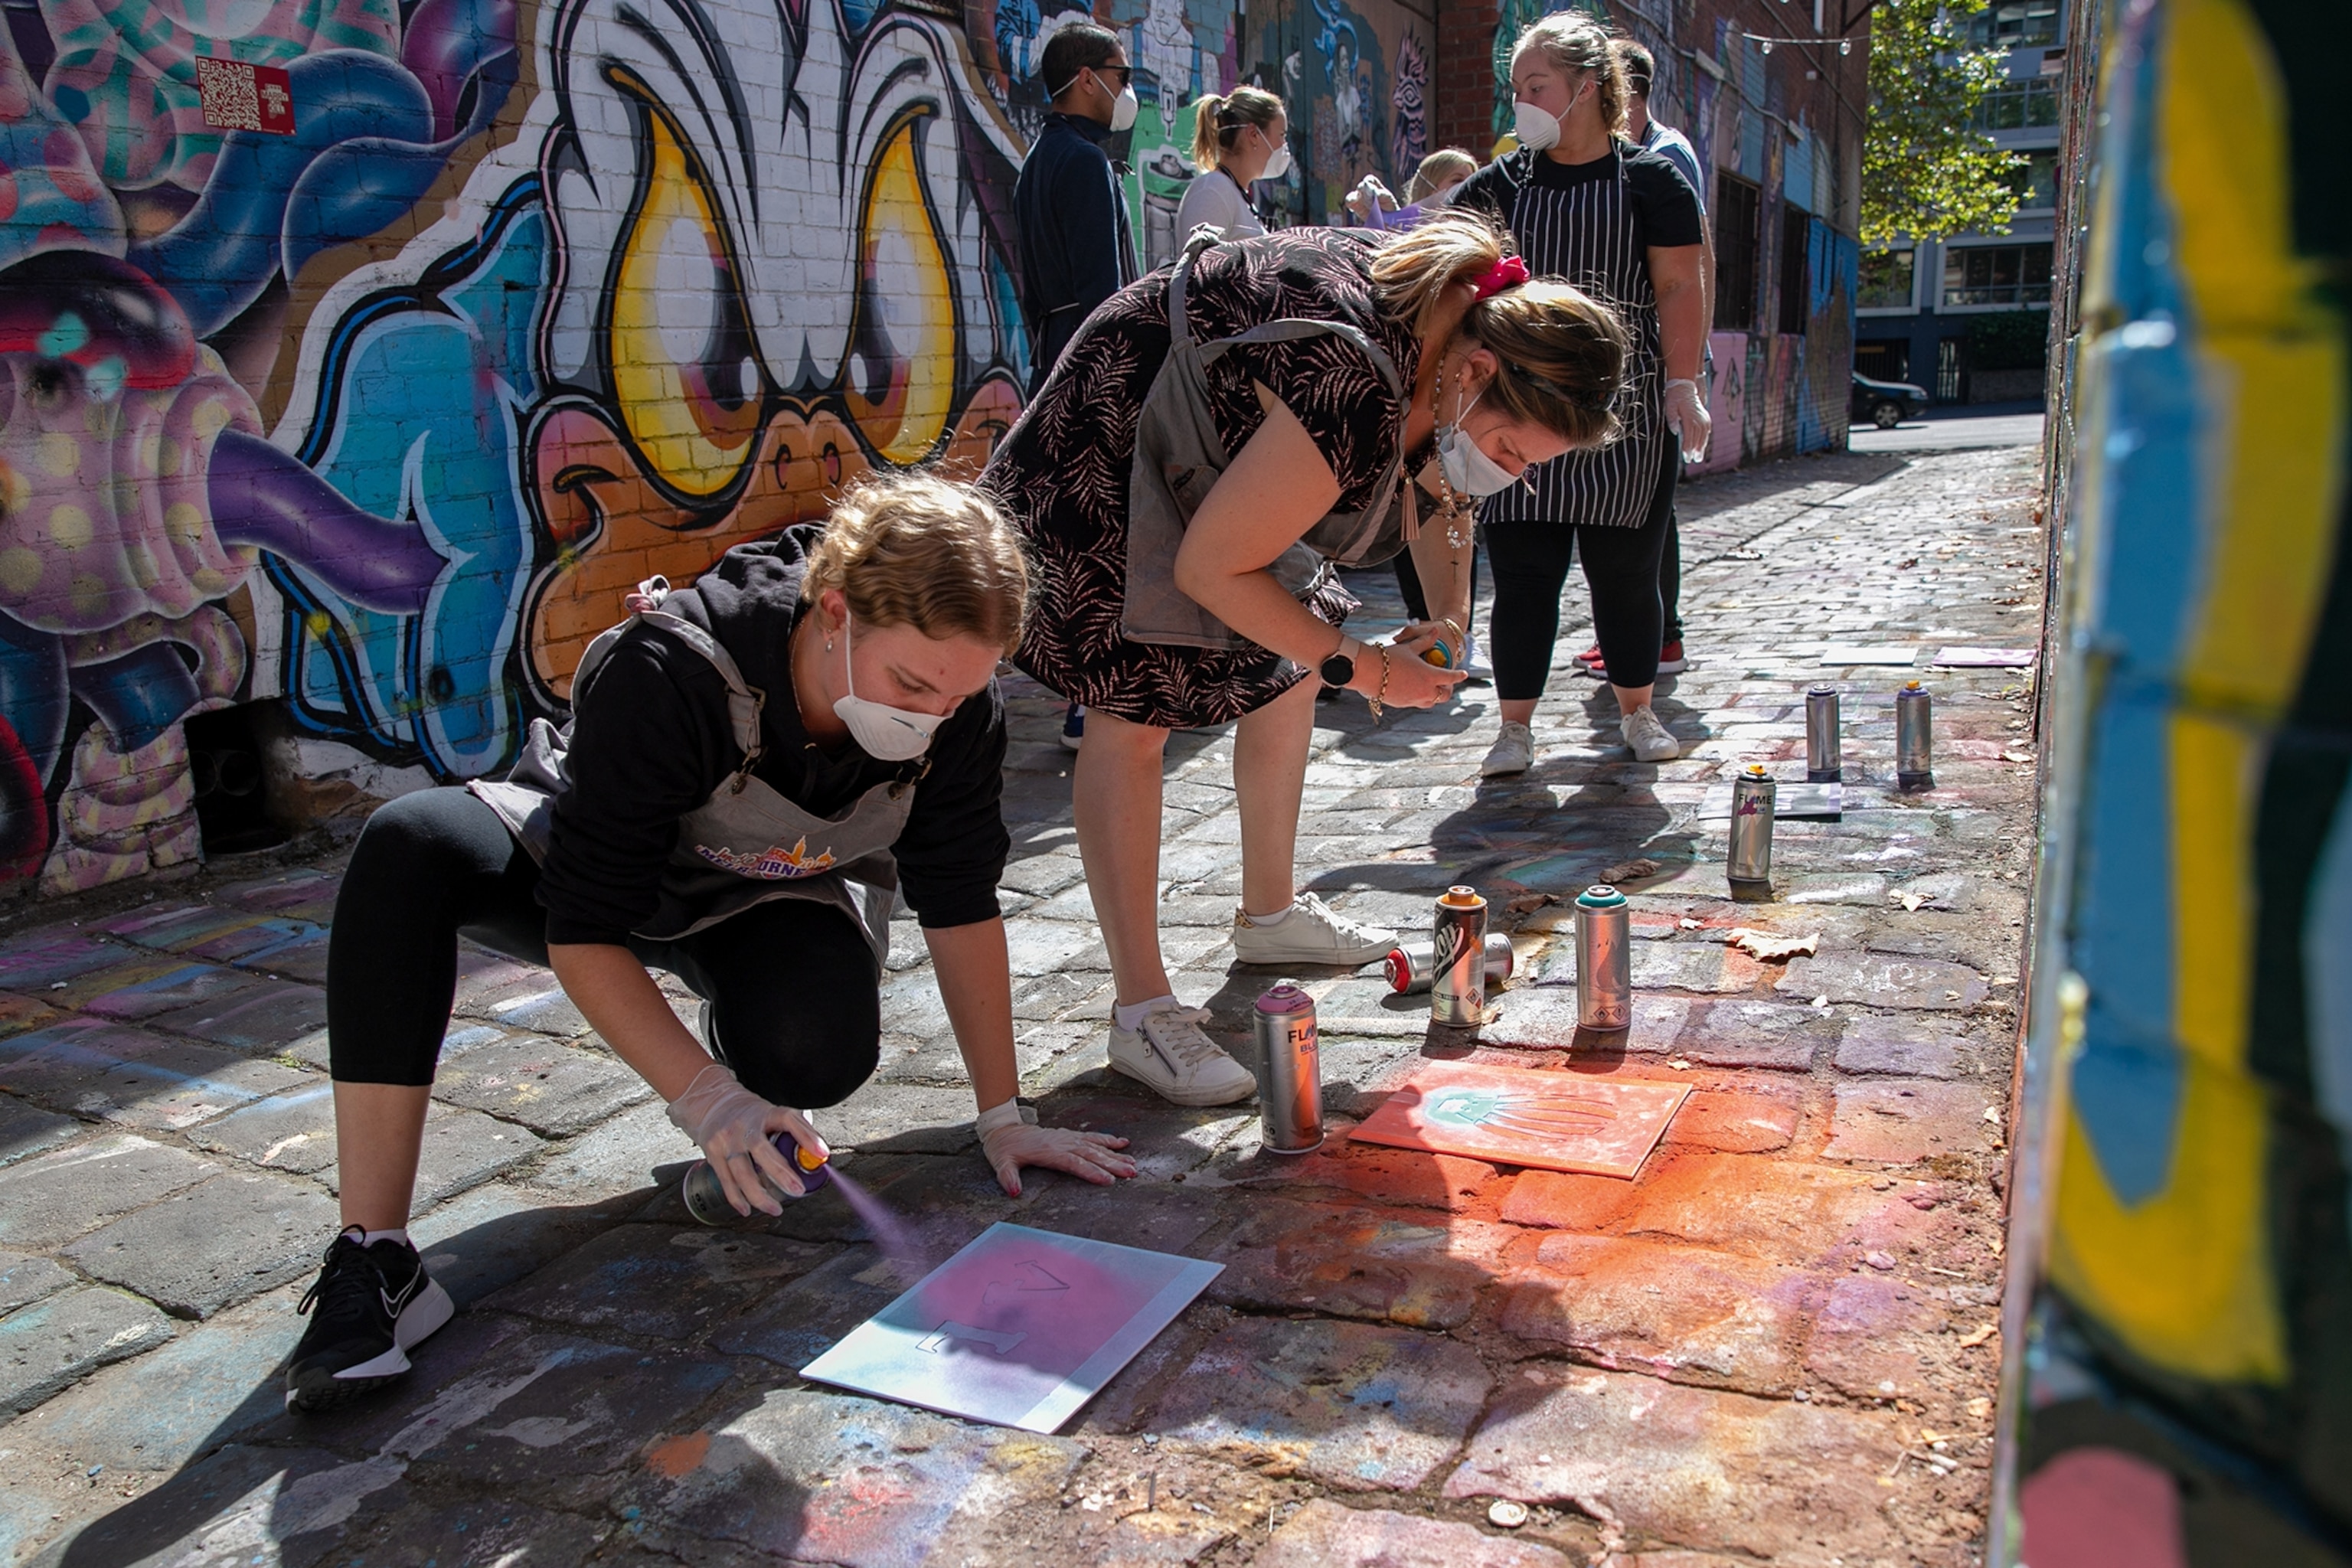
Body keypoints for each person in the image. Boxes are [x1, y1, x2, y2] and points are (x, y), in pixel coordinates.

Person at [283, 473, 1137, 1413]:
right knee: (408, 844)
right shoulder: (672, 668)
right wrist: (706, 1099)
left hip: (763, 891)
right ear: (836, 610)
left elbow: (962, 901)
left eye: (958, 693)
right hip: (603, 871)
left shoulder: (954, 714)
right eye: (910, 684)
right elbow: (584, 927)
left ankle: (743, 1033)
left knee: (817, 1049)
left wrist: (1003, 1114)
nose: (930, 714)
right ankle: (377, 1254)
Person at [981, 213, 1628, 1106]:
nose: (1508, 474)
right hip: (1121, 441)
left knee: (1287, 659)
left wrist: (1440, 621)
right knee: (1138, 710)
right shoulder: (1354, 376)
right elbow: (1211, 567)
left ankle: (1271, 914)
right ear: (1476, 371)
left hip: (1228, 452)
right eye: (1512, 452)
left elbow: (1438, 490)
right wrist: (1367, 669)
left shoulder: (1454, 336)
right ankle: (1141, 1010)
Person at [1453, 15, 1710, 777]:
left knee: (1626, 575)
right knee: (1525, 579)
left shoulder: (1653, 182)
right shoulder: (1496, 187)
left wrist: (1684, 381)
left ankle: (1637, 712)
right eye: (1515, 89)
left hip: (1620, 413)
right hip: (1515, 412)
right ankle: (1514, 729)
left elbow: (1677, 286)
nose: (1522, 102)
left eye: (1537, 87)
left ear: (1588, 87)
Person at [1013, 21, 1138, 753]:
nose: (1127, 91)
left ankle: (1082, 699)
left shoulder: (1042, 158)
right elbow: (1105, 291)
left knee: (1077, 533)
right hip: (1094, 363)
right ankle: (1091, 705)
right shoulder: (1084, 163)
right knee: (1104, 534)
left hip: (1055, 355)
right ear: (1087, 77)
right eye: (1121, 77)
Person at [1570, 38, 1710, 684]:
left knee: (1648, 510)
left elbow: (1689, 266)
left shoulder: (1662, 157)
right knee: (1630, 511)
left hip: (1647, 359)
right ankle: (1636, 638)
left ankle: (1660, 638)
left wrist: (1685, 374)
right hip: (1616, 359)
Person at [1174, 85, 1286, 241]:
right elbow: (1201, 263)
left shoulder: (1233, 192)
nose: (1284, 145)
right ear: (1254, 135)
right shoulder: (1213, 190)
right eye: (1281, 135)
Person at [1346, 148, 1478, 233]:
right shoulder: (1412, 236)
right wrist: (1391, 225)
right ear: (1430, 188)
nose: (1468, 187)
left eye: (1472, 180)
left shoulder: (1479, 235)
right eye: (1457, 181)